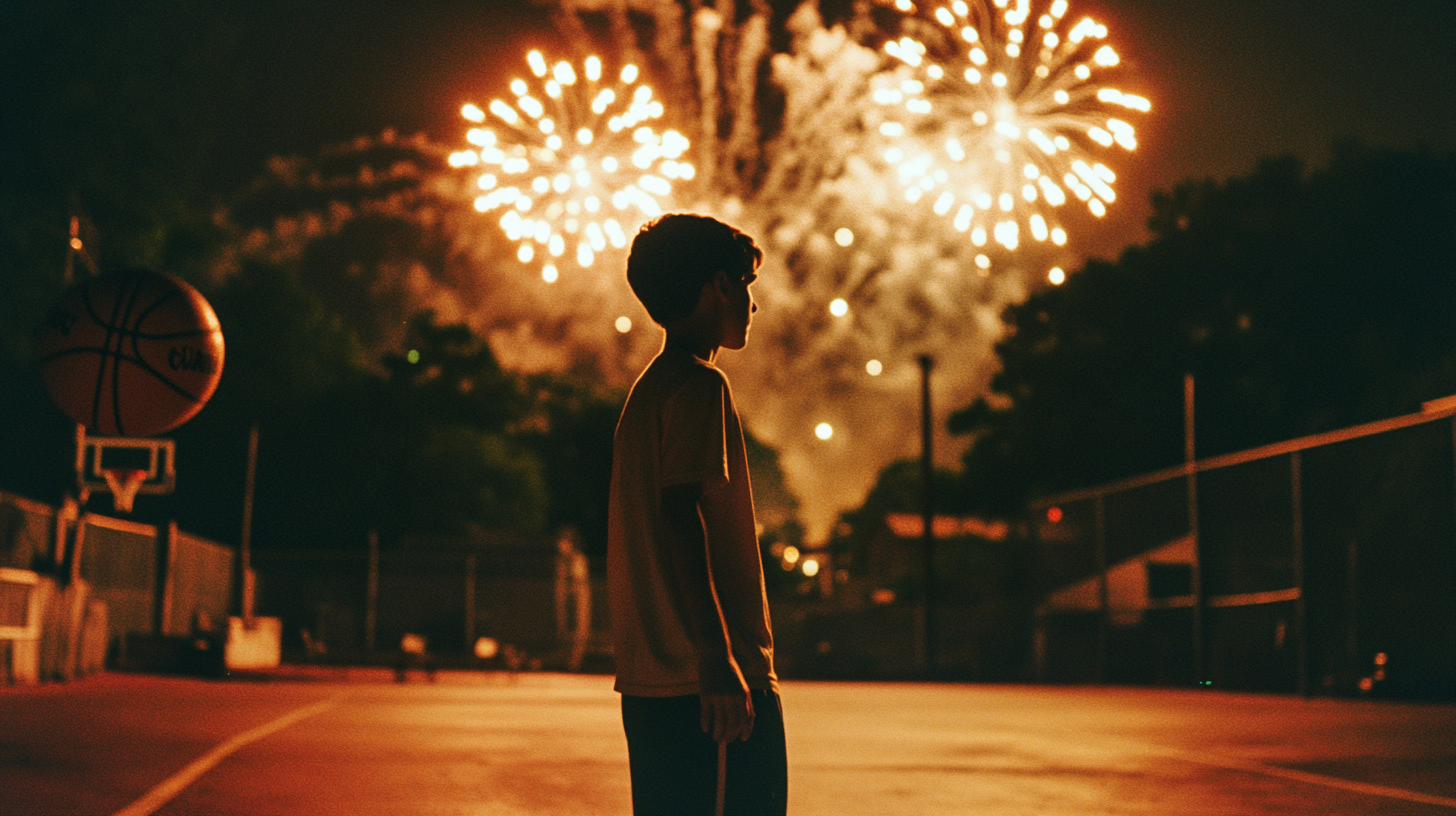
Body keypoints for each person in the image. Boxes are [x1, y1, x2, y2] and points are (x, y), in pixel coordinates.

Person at [608, 214, 786, 816]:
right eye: (746, 286)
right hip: (706, 685)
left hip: (656, 682)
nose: (752, 306)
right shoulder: (697, 387)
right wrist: (718, 658)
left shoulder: (648, 392)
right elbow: (680, 516)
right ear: (717, 286)